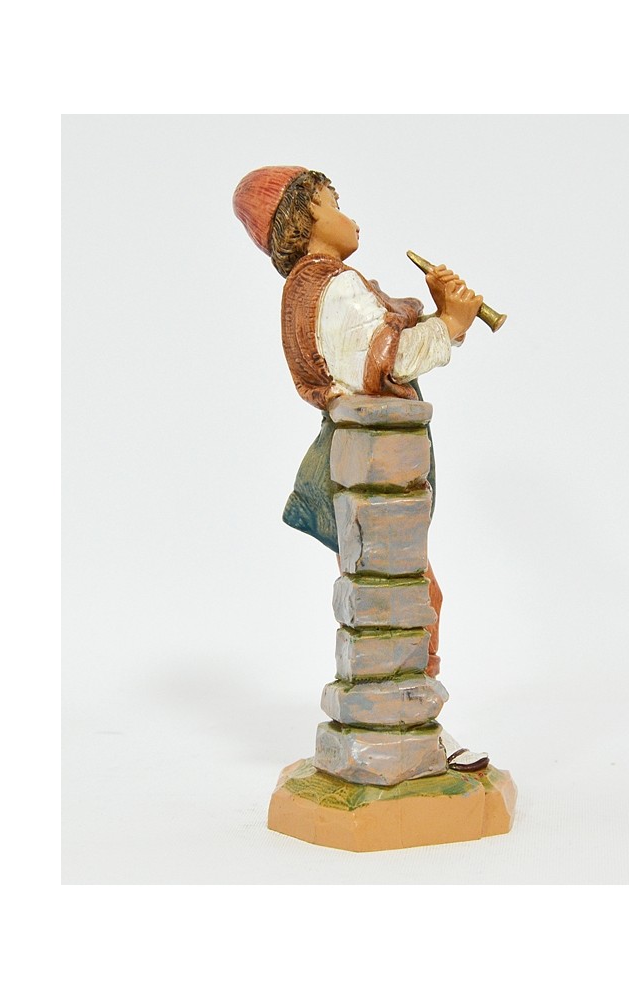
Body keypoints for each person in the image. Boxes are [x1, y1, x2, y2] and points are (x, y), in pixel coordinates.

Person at [233, 166, 487, 770]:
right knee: (404, 598)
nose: (349, 216)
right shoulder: (333, 286)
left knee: (398, 597)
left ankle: (404, 720)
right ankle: (408, 724)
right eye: (334, 203)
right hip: (371, 466)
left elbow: (378, 344)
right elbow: (385, 363)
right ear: (305, 217)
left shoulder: (319, 287)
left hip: (370, 461)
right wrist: (451, 322)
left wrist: (438, 315)